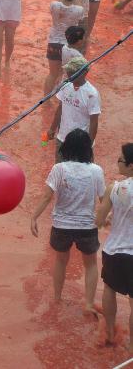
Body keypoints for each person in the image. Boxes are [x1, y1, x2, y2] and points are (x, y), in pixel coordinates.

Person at [30, 128, 104, 316]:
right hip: (87, 226)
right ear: (88, 149)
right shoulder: (96, 171)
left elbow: (47, 197)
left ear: (67, 147)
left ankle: (57, 298)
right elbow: (105, 200)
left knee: (61, 261)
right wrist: (110, 219)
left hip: (61, 225)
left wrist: (34, 216)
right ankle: (88, 303)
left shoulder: (59, 169)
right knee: (91, 265)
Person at [96, 142, 133, 353]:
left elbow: (99, 220)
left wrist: (106, 219)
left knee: (109, 289)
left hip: (115, 250)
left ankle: (109, 333)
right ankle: (132, 347)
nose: (117, 162)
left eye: (120, 159)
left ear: (131, 166)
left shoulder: (115, 188)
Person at [47, 57, 100, 161]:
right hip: (62, 139)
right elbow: (60, 108)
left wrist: (87, 146)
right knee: (60, 168)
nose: (69, 75)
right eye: (69, 71)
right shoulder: (65, 85)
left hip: (80, 143)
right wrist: (52, 128)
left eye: (72, 72)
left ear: (84, 72)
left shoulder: (91, 94)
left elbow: (94, 122)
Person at [44, 0, 84, 94]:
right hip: (69, 45)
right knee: (64, 74)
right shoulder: (79, 10)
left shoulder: (54, 5)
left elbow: (58, 4)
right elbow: (80, 20)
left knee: (52, 74)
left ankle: (45, 101)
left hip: (53, 43)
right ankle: (59, 96)